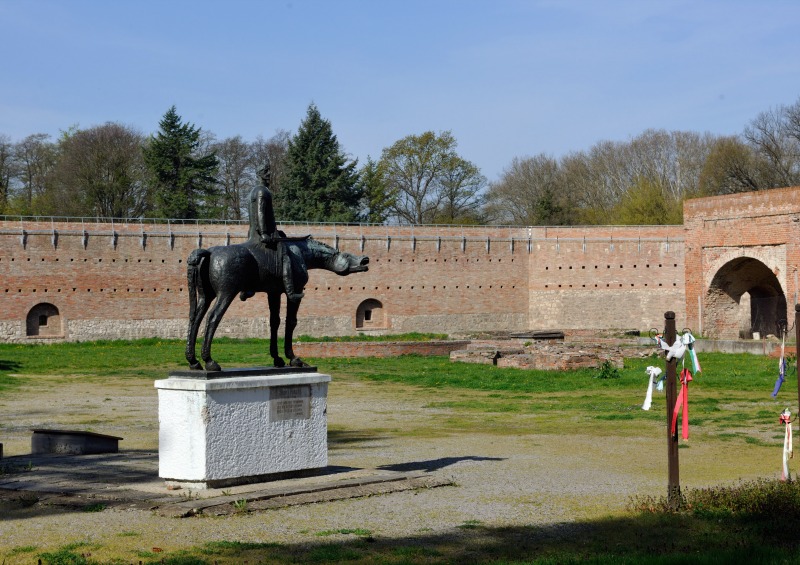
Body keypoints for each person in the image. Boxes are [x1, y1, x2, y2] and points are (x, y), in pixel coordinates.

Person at [241, 160, 305, 302]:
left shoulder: (252, 192)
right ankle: (291, 291)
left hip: (252, 234)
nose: (268, 174)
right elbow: (260, 213)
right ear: (259, 174)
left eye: (269, 171)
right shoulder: (262, 191)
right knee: (285, 255)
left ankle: (247, 288)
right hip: (262, 235)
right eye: (265, 171)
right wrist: (264, 233)